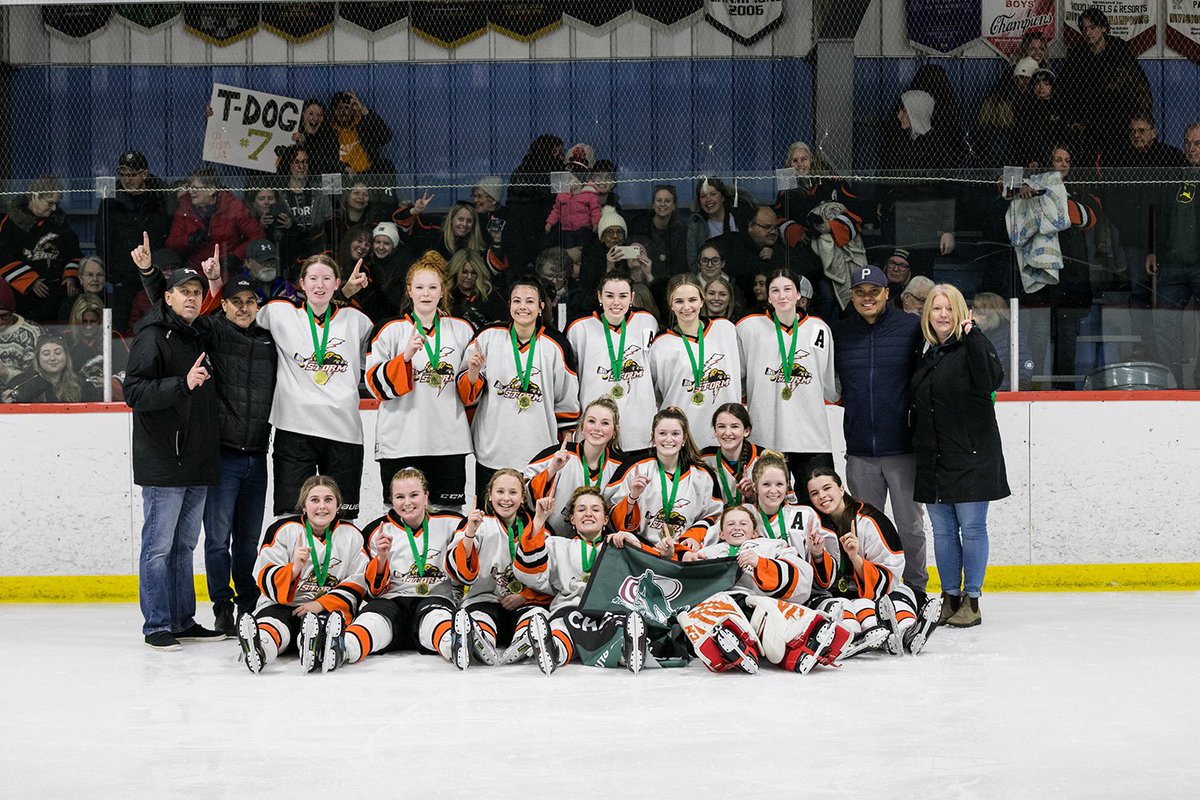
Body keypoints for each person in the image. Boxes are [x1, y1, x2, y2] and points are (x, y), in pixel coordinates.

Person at [123, 264, 224, 650]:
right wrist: (181, 384)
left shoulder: (198, 332)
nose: (192, 298)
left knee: (184, 547)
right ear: (166, 298)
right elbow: (134, 392)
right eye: (184, 292)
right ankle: (157, 624)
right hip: (164, 460)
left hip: (197, 457)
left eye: (197, 292)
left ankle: (183, 619)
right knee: (158, 547)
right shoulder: (152, 336)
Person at [911, 283, 1010, 628]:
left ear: (960, 313)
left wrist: (975, 335)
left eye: (948, 308)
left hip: (971, 456)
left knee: (971, 528)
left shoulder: (971, 346)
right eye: (936, 309)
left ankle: (972, 599)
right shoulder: (928, 354)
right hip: (934, 458)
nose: (942, 315)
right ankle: (950, 596)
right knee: (942, 531)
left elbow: (992, 379)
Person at [252, 254, 373, 520]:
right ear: (301, 284)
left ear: (337, 283)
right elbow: (236, 317)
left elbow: (381, 359)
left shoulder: (358, 320)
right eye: (314, 279)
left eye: (327, 279)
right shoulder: (278, 312)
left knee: (342, 517)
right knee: (291, 516)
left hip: (344, 430)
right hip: (295, 430)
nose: (320, 285)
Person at [832, 264, 928, 599]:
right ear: (853, 296)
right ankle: (871, 587)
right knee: (864, 529)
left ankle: (915, 588)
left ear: (888, 293)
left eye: (875, 291)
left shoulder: (911, 328)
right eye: (860, 292)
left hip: (903, 448)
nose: (867, 297)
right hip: (860, 450)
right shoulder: (841, 334)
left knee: (910, 527)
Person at [317, 468, 468, 672]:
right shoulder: (375, 530)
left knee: (435, 618)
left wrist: (471, 533)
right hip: (391, 600)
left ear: (426, 496)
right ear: (392, 500)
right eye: (400, 497)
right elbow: (373, 590)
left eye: (414, 495)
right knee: (374, 619)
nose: (407, 502)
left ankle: (454, 645)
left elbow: (465, 566)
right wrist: (381, 557)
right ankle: (343, 648)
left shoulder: (453, 523)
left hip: (434, 598)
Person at [457, 276, 580, 505]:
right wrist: (473, 372)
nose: (523, 307)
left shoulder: (557, 345)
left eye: (530, 301)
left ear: (541, 306)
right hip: (492, 452)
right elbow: (465, 395)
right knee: (490, 523)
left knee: (534, 520)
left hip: (539, 454)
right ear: (509, 305)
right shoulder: (488, 337)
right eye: (517, 301)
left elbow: (567, 404)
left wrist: (565, 446)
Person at [365, 252, 474, 512]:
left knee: (448, 519)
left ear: (442, 291)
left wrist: (474, 372)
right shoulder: (390, 330)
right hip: (400, 443)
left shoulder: (461, 329)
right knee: (399, 520)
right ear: (409, 291)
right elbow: (374, 386)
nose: (426, 294)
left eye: (433, 287)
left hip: (448, 443)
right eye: (420, 287)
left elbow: (470, 393)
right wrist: (405, 357)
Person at [236, 475, 369, 673]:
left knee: (324, 622)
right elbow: (263, 574)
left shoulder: (352, 535)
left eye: (328, 500)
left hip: (327, 607)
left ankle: (312, 645)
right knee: (272, 622)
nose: (322, 506)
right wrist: (294, 568)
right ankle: (260, 648)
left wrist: (320, 604)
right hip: (282, 604)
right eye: (314, 500)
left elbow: (358, 582)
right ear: (304, 506)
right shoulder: (283, 530)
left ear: (338, 505)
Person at [805, 467, 943, 655]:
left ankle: (909, 633)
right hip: (837, 594)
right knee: (846, 606)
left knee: (898, 596)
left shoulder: (870, 520)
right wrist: (818, 555)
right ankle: (863, 638)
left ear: (841, 489)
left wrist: (855, 558)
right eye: (815, 493)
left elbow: (890, 571)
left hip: (872, 590)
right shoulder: (812, 522)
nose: (822, 496)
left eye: (827, 488)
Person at [515, 488, 651, 675]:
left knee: (621, 624)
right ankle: (553, 651)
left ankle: (628, 650)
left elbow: (649, 575)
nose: (588, 513)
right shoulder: (556, 545)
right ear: (572, 519)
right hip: (570, 609)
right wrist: (539, 520)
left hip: (609, 610)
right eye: (581, 509)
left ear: (605, 519)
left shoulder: (620, 544)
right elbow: (528, 573)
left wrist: (634, 545)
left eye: (595, 509)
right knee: (559, 626)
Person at [736, 268, 837, 486]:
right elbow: (739, 378)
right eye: (775, 290)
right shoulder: (748, 327)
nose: (782, 296)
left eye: (788, 289)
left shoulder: (819, 329)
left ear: (799, 294)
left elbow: (827, 383)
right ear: (768, 295)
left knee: (819, 506)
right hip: (765, 436)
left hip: (811, 438)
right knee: (766, 507)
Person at [447, 469, 553, 666]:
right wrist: (470, 532)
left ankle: (525, 639)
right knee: (478, 615)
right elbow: (459, 572)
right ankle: (481, 638)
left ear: (522, 498)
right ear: (490, 495)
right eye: (500, 492)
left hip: (524, 602)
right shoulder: (478, 524)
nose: (506, 498)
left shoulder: (540, 530)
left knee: (536, 615)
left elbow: (550, 576)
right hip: (484, 599)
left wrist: (525, 596)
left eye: (513, 493)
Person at [609, 406, 723, 558]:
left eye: (675, 434)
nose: (668, 439)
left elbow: (713, 516)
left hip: (683, 554)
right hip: (641, 551)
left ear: (684, 439)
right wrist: (632, 497)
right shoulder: (635, 468)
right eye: (662, 433)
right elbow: (612, 520)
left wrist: (693, 537)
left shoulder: (702, 475)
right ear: (653, 437)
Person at [565, 270, 659, 448]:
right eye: (609, 296)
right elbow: (569, 380)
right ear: (599, 296)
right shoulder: (579, 328)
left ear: (631, 298)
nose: (616, 303)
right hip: (595, 429)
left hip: (640, 429)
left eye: (623, 296)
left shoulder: (647, 321)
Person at [650, 274, 741, 450]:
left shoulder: (726, 330)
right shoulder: (660, 344)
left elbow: (743, 375)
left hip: (725, 437)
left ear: (702, 300)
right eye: (679, 301)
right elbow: (653, 395)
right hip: (682, 439)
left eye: (692, 300)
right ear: (671, 304)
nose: (686, 307)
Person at [1058, 6, 1152, 163]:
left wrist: (1142, 118)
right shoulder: (1076, 55)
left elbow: (1139, 86)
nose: (1088, 33)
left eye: (1093, 27)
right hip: (1088, 124)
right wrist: (1072, 118)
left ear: (1103, 28)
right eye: (1084, 29)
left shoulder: (1119, 49)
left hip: (1119, 120)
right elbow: (1064, 90)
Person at [1147, 122, 1200, 387]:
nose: (1191, 148)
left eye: (1197, 143)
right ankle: (1171, 383)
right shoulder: (1174, 174)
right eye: (1188, 143)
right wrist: (1153, 250)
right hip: (1171, 265)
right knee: (1164, 327)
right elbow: (1158, 214)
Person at [525, 396, 625, 535]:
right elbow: (525, 498)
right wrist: (552, 470)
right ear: (582, 426)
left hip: (591, 544)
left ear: (614, 431)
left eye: (605, 423)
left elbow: (617, 516)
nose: (597, 428)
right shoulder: (557, 454)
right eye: (591, 421)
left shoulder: (620, 466)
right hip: (549, 539)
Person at [97, 151, 173, 333]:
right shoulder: (111, 198)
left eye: (131, 175)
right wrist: (113, 275)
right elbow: (102, 239)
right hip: (122, 278)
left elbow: (170, 233)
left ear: (144, 174)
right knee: (121, 326)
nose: (126, 180)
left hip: (153, 274)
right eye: (122, 175)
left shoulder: (161, 195)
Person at [0, 175, 83, 323]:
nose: (54, 208)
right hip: (23, 299)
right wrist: (31, 281)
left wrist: (70, 275)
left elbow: (74, 252)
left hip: (56, 297)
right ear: (35, 196)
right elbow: (4, 256)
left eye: (56, 203)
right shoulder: (10, 223)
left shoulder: (60, 222)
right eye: (50, 203)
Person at [166, 167, 264, 274]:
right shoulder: (184, 209)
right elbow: (171, 243)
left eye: (195, 188)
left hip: (226, 271)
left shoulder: (234, 207)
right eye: (189, 188)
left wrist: (236, 256)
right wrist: (189, 240)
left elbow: (257, 236)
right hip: (195, 272)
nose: (191, 192)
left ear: (211, 190)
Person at [276, 146, 332, 269]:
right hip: (288, 250)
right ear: (288, 164)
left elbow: (329, 221)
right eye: (297, 162)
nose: (301, 166)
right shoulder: (279, 194)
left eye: (305, 162)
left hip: (316, 248)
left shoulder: (319, 192)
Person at [628, 183, 689, 295]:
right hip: (643, 286)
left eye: (667, 201)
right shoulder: (640, 227)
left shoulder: (681, 230)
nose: (662, 204)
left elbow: (680, 265)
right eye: (659, 200)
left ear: (674, 205)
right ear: (653, 204)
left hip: (670, 286)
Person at [701, 402, 765, 506]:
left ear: (746, 431)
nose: (727, 433)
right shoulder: (704, 459)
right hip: (717, 521)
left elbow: (783, 505)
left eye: (734, 426)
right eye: (721, 426)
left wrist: (753, 496)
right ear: (715, 431)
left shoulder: (764, 459)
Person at [972, 291, 1034, 391]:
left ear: (992, 315)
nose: (973, 317)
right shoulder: (975, 335)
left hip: (1003, 394)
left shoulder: (1011, 333)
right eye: (972, 311)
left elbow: (1024, 366)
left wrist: (1015, 395)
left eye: (979, 313)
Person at [686, 177, 751, 269]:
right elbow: (693, 260)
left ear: (723, 197)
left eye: (713, 194)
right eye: (703, 196)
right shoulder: (697, 225)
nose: (708, 199)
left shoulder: (740, 217)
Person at [1, 334, 85, 404]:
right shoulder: (20, 383)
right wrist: (6, 405)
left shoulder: (81, 384)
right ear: (38, 358)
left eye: (58, 353)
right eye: (46, 354)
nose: (52, 358)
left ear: (67, 356)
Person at [329, 90, 393, 175]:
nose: (343, 112)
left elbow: (385, 136)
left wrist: (363, 110)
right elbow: (324, 159)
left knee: (386, 166)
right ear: (334, 111)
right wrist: (343, 168)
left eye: (347, 108)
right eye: (339, 108)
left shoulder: (362, 125)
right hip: (344, 176)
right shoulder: (328, 131)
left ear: (352, 110)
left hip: (367, 175)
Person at [446, 249, 505, 329]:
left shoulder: (489, 295)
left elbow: (504, 320)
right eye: (464, 272)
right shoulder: (447, 296)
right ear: (456, 272)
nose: (469, 277)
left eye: (474, 273)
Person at [0, 285, 42, 391]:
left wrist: (5, 373)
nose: (0, 321)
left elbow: (34, 377)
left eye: (4, 316)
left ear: (12, 312)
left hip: (19, 397)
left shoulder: (31, 333)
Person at [288, 98, 342, 176]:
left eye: (319, 115)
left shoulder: (330, 135)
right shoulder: (291, 131)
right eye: (311, 114)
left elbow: (325, 163)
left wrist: (304, 144)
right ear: (303, 114)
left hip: (318, 180)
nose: (315, 118)